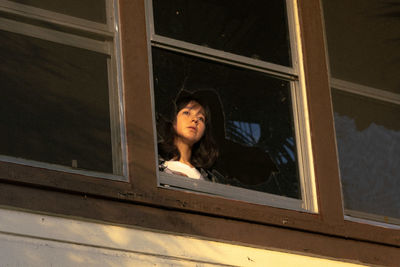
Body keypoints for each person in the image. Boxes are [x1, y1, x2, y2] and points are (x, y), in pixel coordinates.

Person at [158, 90, 219, 180]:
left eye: (201, 118)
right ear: (172, 119)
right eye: (186, 113)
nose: (195, 119)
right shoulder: (156, 168)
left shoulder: (209, 179)